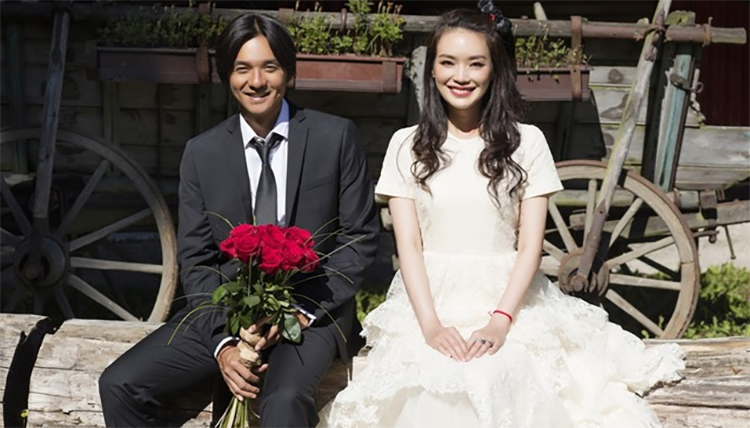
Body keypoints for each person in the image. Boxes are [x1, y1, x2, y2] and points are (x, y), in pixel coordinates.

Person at [318, 5, 684, 428]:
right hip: (430, 299)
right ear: (432, 69)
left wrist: (500, 321)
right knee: (435, 381)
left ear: (494, 70)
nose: (461, 76)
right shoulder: (407, 145)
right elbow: (410, 247)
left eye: (476, 63)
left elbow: (530, 246)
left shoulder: (526, 143)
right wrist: (432, 326)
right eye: (448, 62)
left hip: (510, 298)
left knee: (502, 373)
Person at [99, 13, 380, 428]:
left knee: (283, 400)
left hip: (311, 310)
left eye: (270, 67)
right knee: (119, 383)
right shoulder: (202, 153)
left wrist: (301, 312)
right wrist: (225, 345)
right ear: (226, 75)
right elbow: (197, 258)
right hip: (227, 311)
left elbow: (360, 237)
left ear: (289, 72)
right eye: (242, 68)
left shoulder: (334, 137)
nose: (256, 81)